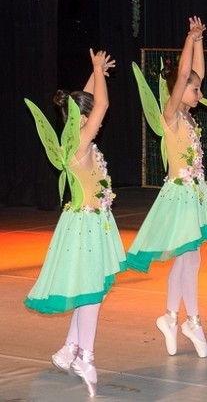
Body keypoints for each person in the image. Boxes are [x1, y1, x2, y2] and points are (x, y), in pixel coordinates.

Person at [24, 49, 126, 398]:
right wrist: (97, 69)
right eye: (86, 115)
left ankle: (70, 348)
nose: (94, 118)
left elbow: (86, 103)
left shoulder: (78, 139)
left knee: (88, 288)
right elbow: (101, 106)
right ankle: (86, 355)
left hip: (92, 224)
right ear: (81, 121)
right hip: (84, 226)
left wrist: (94, 73)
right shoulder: (79, 144)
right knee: (92, 292)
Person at [127, 16, 207, 358]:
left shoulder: (189, 116)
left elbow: (197, 74)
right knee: (189, 258)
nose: (199, 92)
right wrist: (187, 38)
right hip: (179, 195)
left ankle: (171, 316)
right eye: (195, 90)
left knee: (188, 260)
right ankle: (190, 319)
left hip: (193, 194)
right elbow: (183, 77)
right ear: (178, 92)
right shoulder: (171, 115)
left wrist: (198, 41)